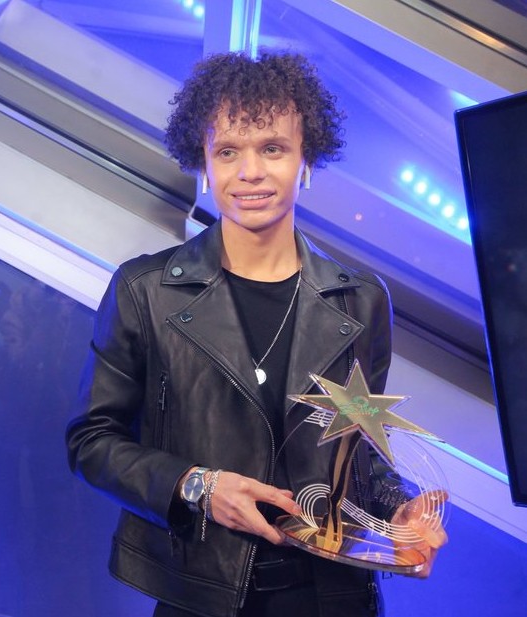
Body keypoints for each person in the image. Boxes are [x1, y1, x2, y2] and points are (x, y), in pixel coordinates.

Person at [65, 51, 446, 617]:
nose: (250, 172)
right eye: (227, 151)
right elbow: (92, 441)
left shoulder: (360, 299)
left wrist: (400, 510)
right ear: (203, 162)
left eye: (272, 148)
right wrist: (197, 486)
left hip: (331, 595)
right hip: (201, 594)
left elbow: (356, 450)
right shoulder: (145, 291)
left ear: (306, 158)